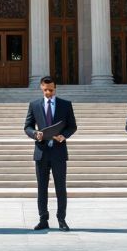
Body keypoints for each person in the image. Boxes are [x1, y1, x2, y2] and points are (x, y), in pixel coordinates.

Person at [24, 75, 77, 230]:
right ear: (41, 88)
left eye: (51, 90)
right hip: (41, 151)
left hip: (59, 151)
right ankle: (43, 219)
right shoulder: (34, 105)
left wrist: (64, 136)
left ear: (55, 88)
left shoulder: (65, 105)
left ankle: (61, 220)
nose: (49, 93)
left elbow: (72, 126)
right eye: (46, 90)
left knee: (60, 187)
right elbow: (27, 126)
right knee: (42, 187)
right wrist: (35, 134)